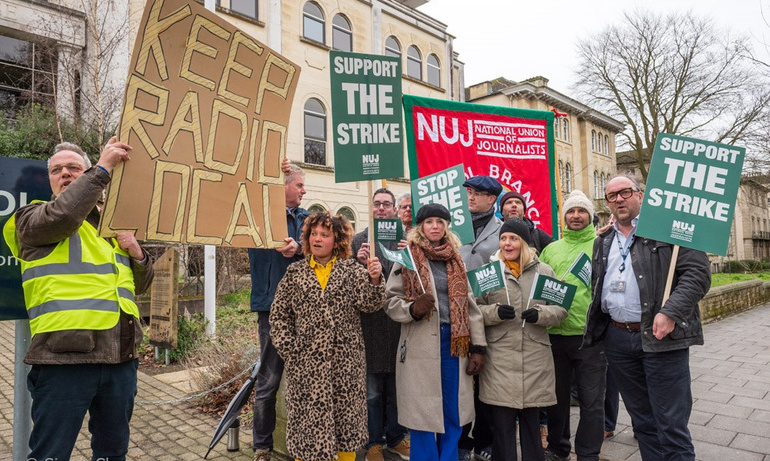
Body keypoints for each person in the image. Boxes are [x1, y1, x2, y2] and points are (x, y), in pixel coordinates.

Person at [3, 139, 154, 461]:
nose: (66, 173)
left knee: (113, 452)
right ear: (50, 181)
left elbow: (140, 286)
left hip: (120, 360)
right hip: (62, 362)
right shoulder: (30, 219)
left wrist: (137, 252)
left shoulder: (114, 227)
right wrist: (104, 168)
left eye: (74, 167)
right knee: (51, 454)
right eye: (57, 170)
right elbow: (63, 216)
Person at [583, 175, 711, 461]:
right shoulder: (602, 240)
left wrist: (671, 312)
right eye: (611, 195)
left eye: (625, 192)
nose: (618, 199)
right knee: (642, 422)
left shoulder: (669, 231)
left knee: (671, 424)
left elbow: (698, 275)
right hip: (617, 340)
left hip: (660, 337)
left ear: (640, 195)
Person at [270, 212, 385, 461]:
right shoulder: (294, 274)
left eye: (325, 234)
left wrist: (375, 279)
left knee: (345, 431)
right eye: (313, 234)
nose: (317, 239)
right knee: (307, 433)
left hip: (345, 367)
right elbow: (278, 317)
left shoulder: (352, 271)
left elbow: (370, 304)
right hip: (306, 369)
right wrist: (292, 351)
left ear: (338, 240)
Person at [384, 204, 487, 461]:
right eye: (429, 222)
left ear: (446, 227)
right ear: (420, 227)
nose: (435, 226)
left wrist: (478, 347)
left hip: (455, 342)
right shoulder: (407, 257)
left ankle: (449, 457)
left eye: (440, 222)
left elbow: (471, 306)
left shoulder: (455, 258)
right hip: (420, 344)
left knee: (453, 408)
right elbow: (390, 300)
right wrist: (413, 309)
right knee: (424, 412)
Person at [476, 218, 567, 461]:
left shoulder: (544, 271)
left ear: (524, 243)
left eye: (513, 238)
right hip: (500, 359)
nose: (507, 243)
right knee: (502, 425)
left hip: (535, 358)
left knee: (531, 421)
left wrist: (542, 314)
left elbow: (560, 309)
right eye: (503, 238)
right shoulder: (489, 271)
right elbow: (472, 310)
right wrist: (494, 313)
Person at [249, 163, 309, 461]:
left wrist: (300, 248)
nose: (303, 190)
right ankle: (262, 446)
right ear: (283, 185)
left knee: (304, 381)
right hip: (270, 308)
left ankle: (302, 443)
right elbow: (248, 185)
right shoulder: (260, 212)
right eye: (299, 185)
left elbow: (326, 247)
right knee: (269, 380)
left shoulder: (308, 219)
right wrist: (271, 165)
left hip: (304, 311)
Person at [539, 190, 605, 461]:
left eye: (581, 211)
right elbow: (537, 287)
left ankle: (588, 454)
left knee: (591, 402)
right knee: (556, 399)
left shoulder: (602, 245)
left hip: (590, 336)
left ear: (590, 216)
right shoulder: (551, 249)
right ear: (564, 217)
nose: (576, 216)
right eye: (571, 211)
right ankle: (558, 447)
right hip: (554, 336)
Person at [351, 188, 410, 461]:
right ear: (370, 207)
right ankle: (373, 442)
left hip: (398, 326)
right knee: (372, 392)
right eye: (377, 204)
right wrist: (358, 262)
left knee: (397, 390)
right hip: (370, 326)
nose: (381, 209)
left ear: (395, 209)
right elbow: (349, 283)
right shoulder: (358, 242)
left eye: (387, 204)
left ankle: (396, 438)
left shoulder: (405, 241)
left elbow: (415, 281)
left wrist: (408, 256)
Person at [458, 175, 501, 460]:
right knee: (460, 380)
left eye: (478, 193)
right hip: (458, 310)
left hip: (487, 311)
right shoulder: (455, 225)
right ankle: (461, 439)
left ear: (492, 199)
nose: (471, 197)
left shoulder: (502, 229)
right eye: (470, 192)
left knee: (485, 379)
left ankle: (485, 438)